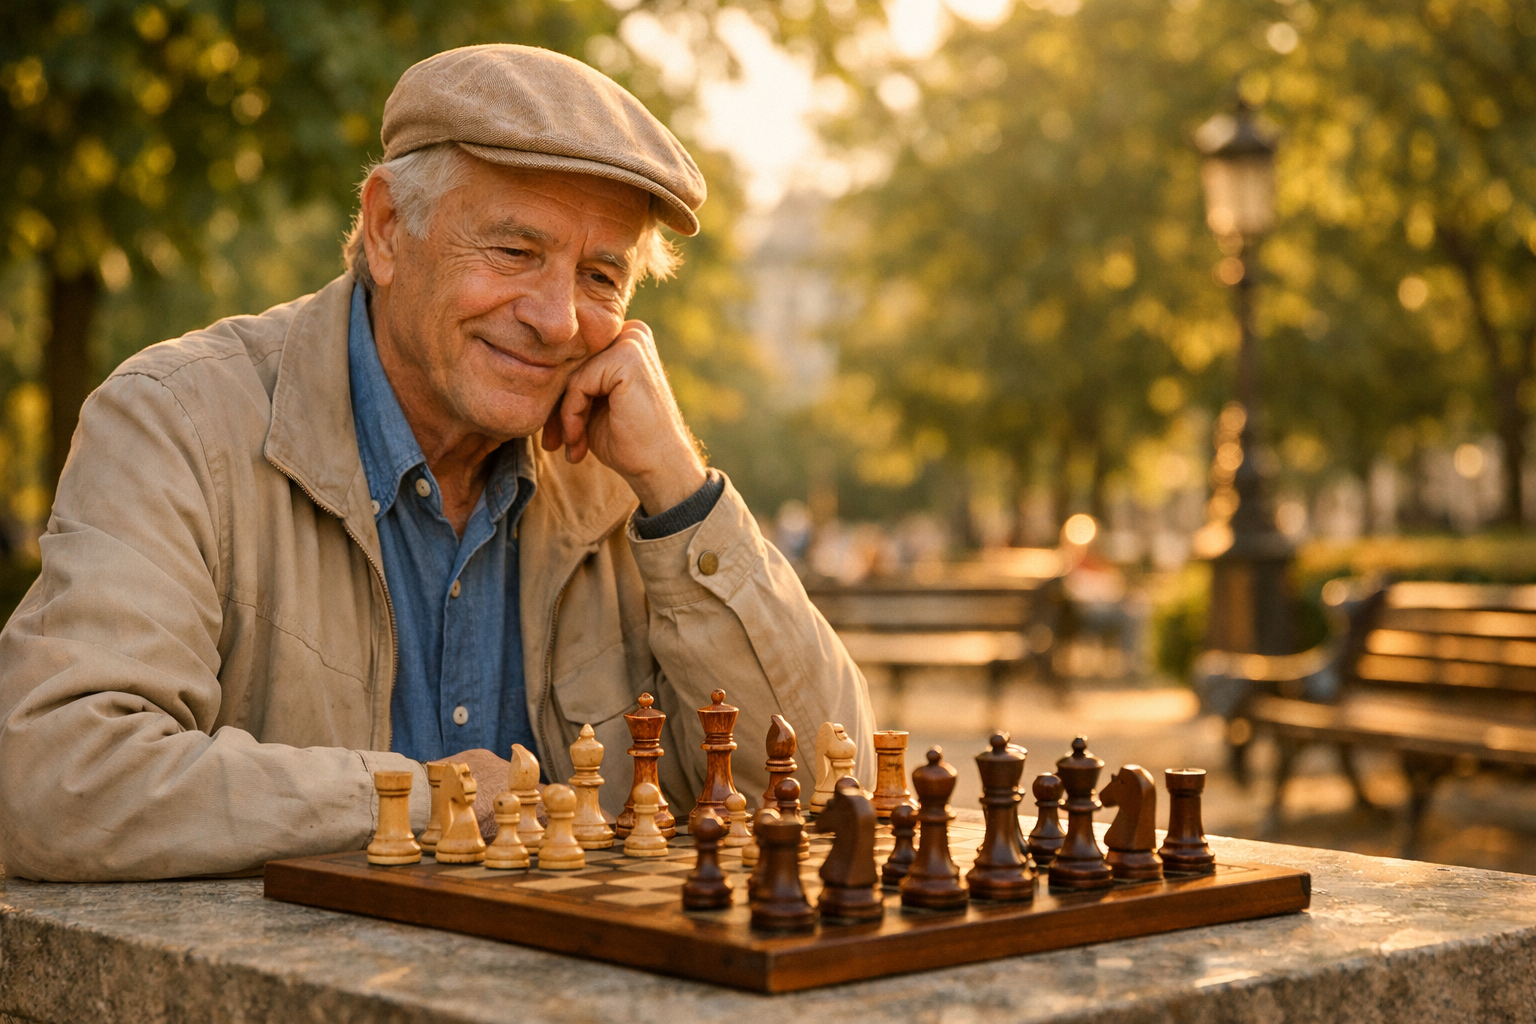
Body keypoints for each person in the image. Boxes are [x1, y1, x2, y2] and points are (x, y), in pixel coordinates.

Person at [0, 45, 874, 881]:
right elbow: (53, 780)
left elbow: (838, 790)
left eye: (601, 276)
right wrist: (424, 801)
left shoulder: (626, 475)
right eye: (514, 252)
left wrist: (682, 493)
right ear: (386, 229)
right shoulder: (176, 422)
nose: (560, 319)